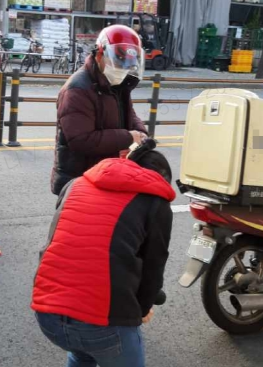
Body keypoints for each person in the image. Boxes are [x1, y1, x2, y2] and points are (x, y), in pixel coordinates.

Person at [33, 140, 175, 367]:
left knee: (81, 352)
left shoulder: (75, 184)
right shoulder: (156, 203)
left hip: (47, 314)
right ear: (161, 179)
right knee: (97, 341)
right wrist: (143, 309)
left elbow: (56, 242)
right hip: (102, 325)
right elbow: (153, 269)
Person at [51, 24, 149, 195]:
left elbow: (129, 114)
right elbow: (81, 140)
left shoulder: (116, 84)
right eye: (117, 62)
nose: (122, 69)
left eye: (127, 65)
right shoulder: (77, 89)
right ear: (99, 55)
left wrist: (140, 133)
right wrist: (128, 137)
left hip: (106, 176)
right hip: (79, 181)